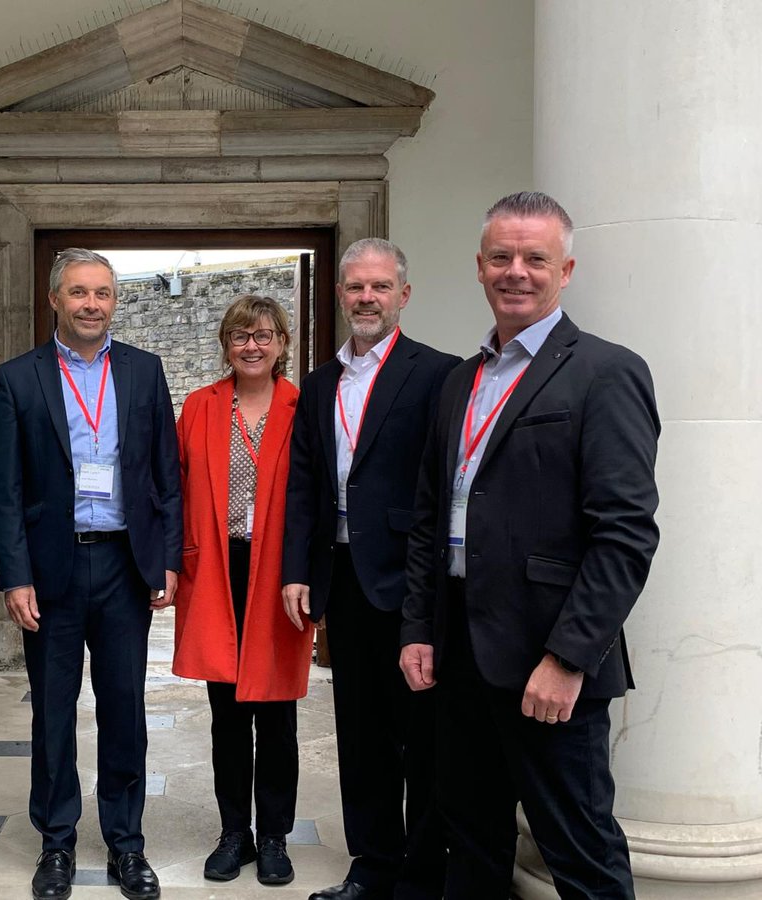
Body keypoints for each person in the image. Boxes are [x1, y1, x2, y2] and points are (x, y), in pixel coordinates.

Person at [400, 191, 661, 899]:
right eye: (501, 257)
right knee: (472, 841)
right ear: (479, 267)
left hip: (548, 666)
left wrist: (569, 656)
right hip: (457, 658)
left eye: (535, 258)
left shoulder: (606, 371)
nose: (517, 271)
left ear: (565, 269)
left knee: (579, 852)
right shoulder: (462, 379)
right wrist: (419, 628)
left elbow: (626, 532)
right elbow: (432, 517)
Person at [0, 248, 181, 900]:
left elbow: (165, 477)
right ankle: (57, 843)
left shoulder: (144, 371)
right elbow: (7, 489)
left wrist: (167, 560)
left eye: (101, 293)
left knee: (125, 712)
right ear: (54, 299)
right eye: (78, 293)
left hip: (125, 565)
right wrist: (13, 577)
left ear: (113, 300)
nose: (92, 304)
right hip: (52, 569)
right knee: (53, 714)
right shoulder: (19, 378)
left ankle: (128, 844)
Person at [283, 238, 459, 900]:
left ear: (402, 296)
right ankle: (373, 864)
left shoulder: (440, 373)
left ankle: (423, 871)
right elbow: (304, 482)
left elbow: (443, 485)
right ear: (340, 295)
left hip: (413, 582)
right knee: (359, 735)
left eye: (379, 287)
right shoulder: (320, 382)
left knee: (421, 734)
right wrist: (298, 569)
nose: (366, 297)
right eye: (355, 287)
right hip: (344, 578)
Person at [172, 295, 311, 886]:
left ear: (282, 342)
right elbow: (173, 489)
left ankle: (275, 835)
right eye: (238, 336)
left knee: (276, 711)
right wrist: (171, 565)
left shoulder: (303, 407)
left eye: (263, 335)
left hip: (279, 572)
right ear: (225, 345)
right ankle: (235, 833)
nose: (251, 346)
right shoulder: (200, 407)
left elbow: (317, 499)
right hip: (216, 567)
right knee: (226, 713)